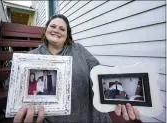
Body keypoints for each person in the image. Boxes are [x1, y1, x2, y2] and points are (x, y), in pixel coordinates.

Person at [9, 14, 140, 122]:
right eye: (53, 26)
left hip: (87, 115)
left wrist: (120, 96)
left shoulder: (79, 50)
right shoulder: (30, 58)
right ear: (46, 30)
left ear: (67, 34)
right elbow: (15, 86)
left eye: (62, 29)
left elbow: (98, 72)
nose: (56, 30)